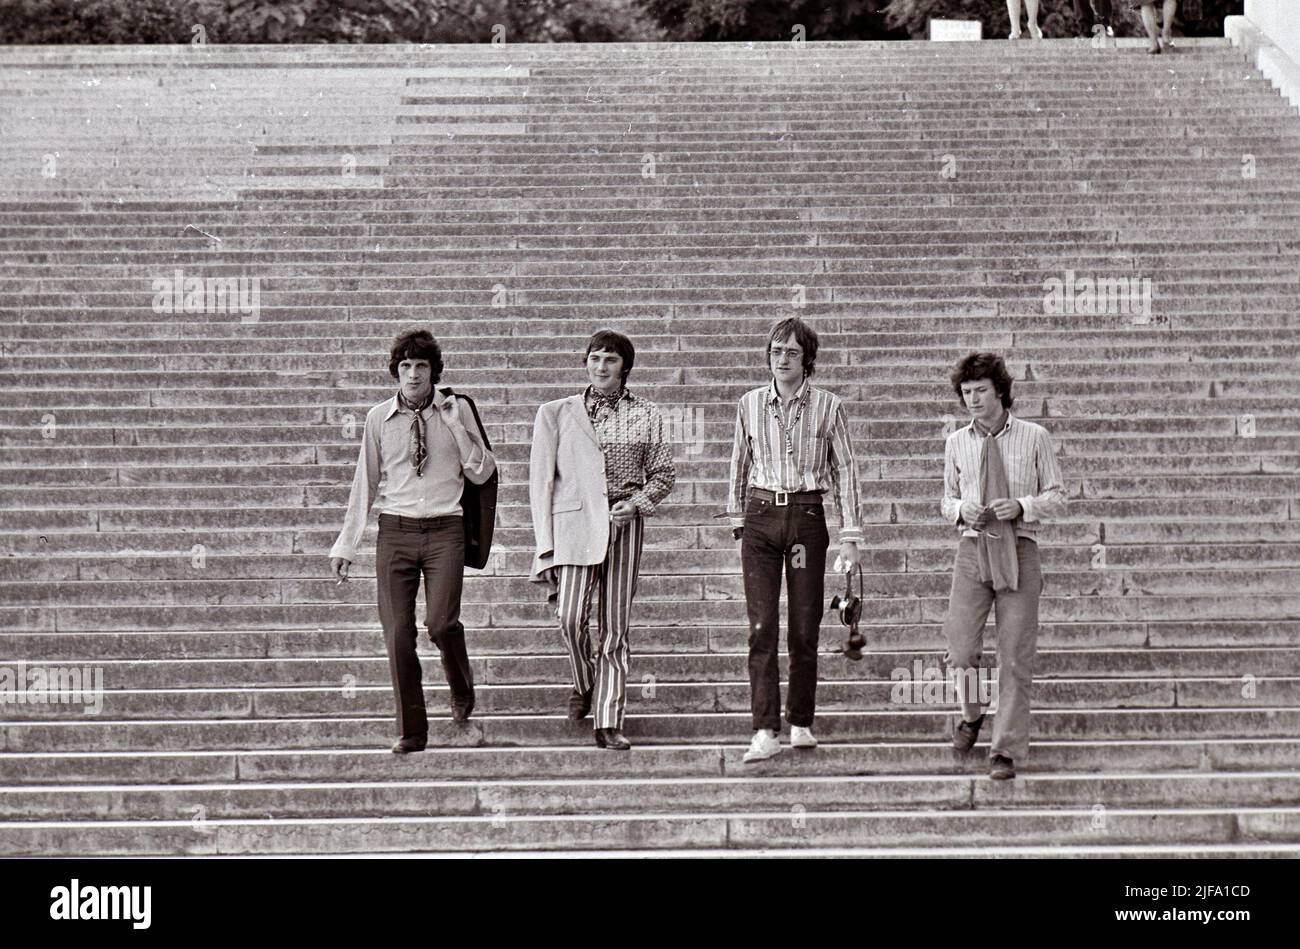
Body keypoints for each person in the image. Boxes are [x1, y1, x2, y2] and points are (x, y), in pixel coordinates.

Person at [329, 329, 496, 754]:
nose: (414, 374)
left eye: (422, 366)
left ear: (434, 372)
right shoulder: (377, 419)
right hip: (396, 533)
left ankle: (461, 689)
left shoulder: (458, 410)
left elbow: (482, 473)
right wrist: (346, 545)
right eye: (405, 366)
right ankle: (413, 730)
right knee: (398, 634)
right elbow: (364, 482)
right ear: (396, 373)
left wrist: (457, 428)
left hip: (445, 530)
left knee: (441, 624)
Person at [529, 330, 675, 751]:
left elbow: (663, 474)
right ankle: (584, 680)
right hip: (574, 527)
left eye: (610, 359)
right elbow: (541, 484)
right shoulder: (557, 413)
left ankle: (608, 719)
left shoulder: (646, 413)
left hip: (623, 525)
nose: (601, 367)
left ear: (624, 366)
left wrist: (639, 502)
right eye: (594, 358)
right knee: (570, 617)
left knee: (614, 627)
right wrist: (545, 548)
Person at [727, 318, 863, 764]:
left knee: (804, 627)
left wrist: (851, 535)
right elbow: (738, 462)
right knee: (761, 626)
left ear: (808, 359)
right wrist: (736, 518)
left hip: (807, 517)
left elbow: (846, 469)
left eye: (791, 352)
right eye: (775, 351)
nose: (782, 360)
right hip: (762, 517)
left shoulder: (829, 406)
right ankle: (765, 729)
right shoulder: (750, 404)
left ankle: (800, 720)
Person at [940, 353, 1066, 780]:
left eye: (980, 391)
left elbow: (1058, 495)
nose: (972, 399)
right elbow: (945, 499)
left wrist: (1022, 505)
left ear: (999, 391)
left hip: (1020, 548)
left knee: (1014, 655)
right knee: (960, 650)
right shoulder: (956, 442)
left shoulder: (1034, 437)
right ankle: (972, 715)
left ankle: (1004, 750)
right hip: (973, 549)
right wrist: (961, 509)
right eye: (966, 392)